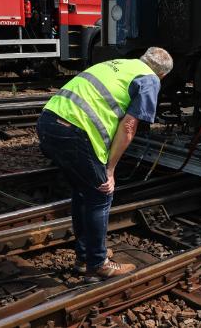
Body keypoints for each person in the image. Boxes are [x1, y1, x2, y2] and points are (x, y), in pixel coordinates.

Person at [37, 47, 172, 281]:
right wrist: (109, 169)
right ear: (162, 75)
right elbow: (129, 126)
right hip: (75, 132)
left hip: (48, 122)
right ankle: (98, 263)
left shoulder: (120, 64)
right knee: (101, 194)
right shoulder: (149, 79)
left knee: (82, 192)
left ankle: (84, 256)